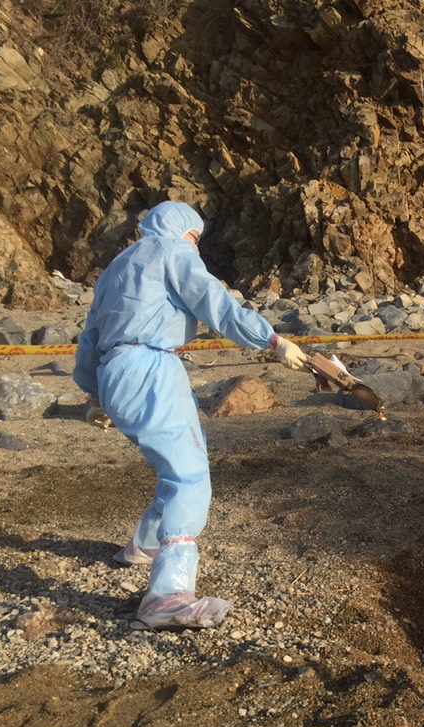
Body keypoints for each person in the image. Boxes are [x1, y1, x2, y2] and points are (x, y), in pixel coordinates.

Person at [73, 200, 308, 630]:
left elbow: (90, 335)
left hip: (113, 374)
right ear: (182, 231)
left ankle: (140, 547)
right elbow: (213, 302)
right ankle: (167, 594)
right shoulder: (173, 251)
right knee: (189, 475)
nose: (194, 245)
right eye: (195, 237)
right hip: (151, 369)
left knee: (171, 465)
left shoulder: (116, 267)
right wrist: (272, 341)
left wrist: (95, 396)